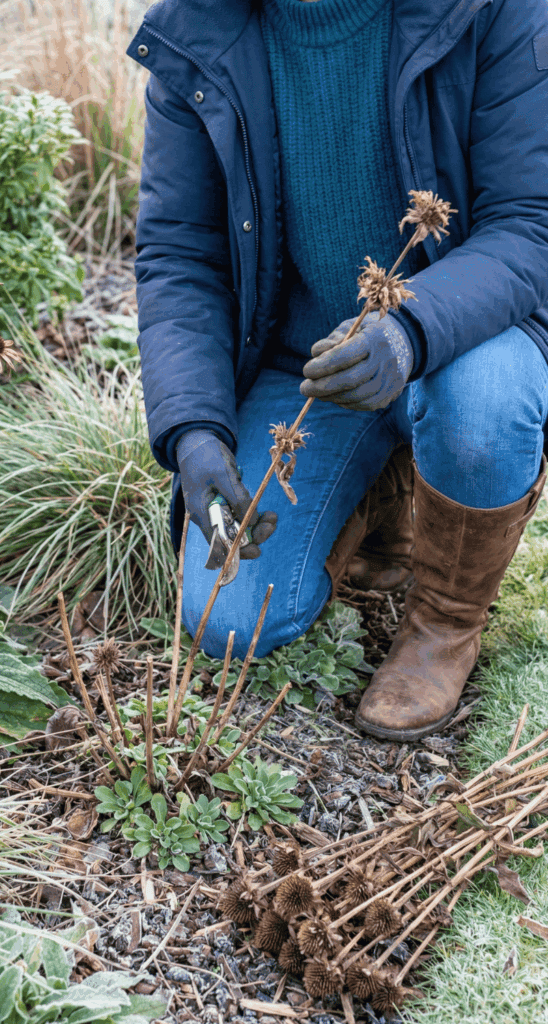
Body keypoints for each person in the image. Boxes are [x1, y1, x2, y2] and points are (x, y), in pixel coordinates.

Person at [126, 0, 548, 741]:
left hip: (466, 336)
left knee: (480, 404)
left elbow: (529, 222)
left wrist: (409, 332)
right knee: (227, 621)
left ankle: (444, 623)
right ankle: (383, 495)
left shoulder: (491, 9)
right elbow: (179, 257)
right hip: (306, 370)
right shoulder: (195, 28)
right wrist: (192, 427)